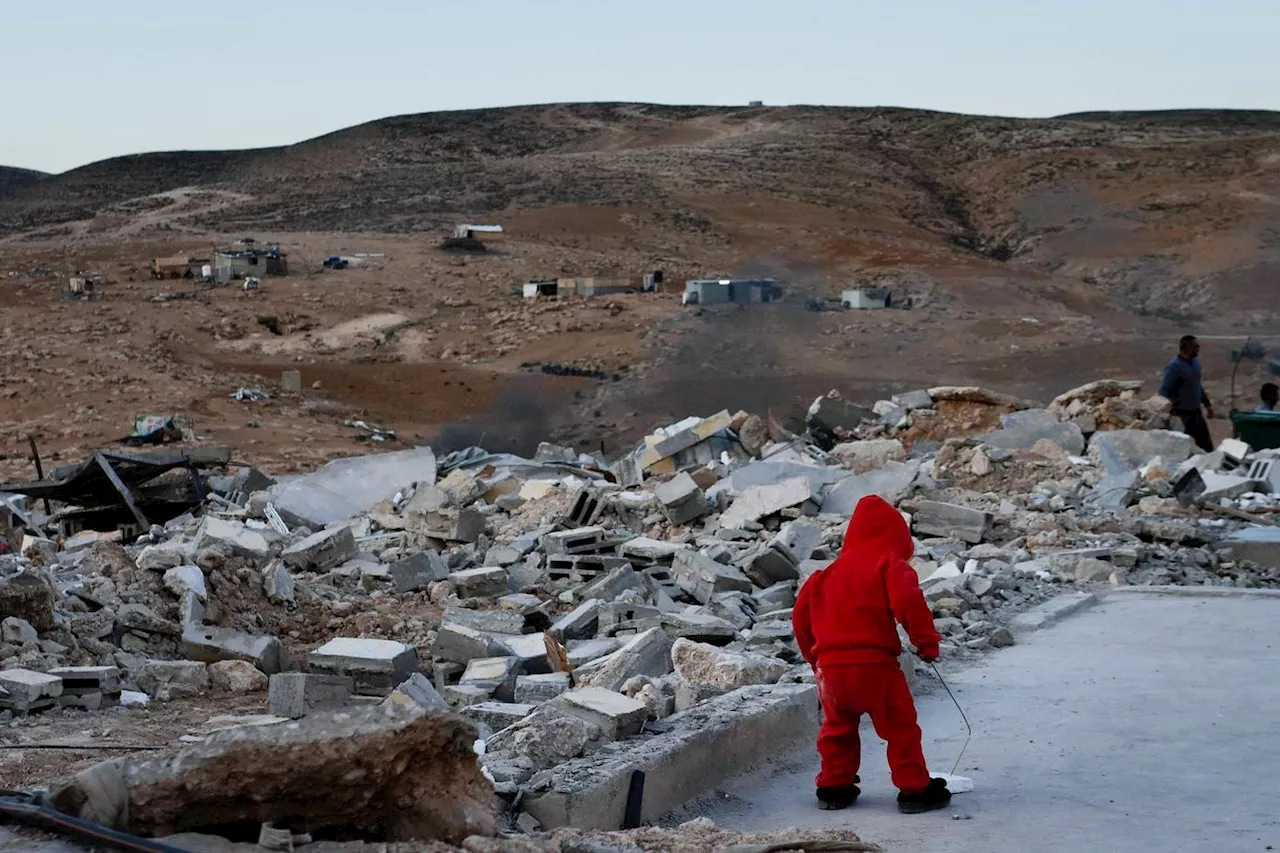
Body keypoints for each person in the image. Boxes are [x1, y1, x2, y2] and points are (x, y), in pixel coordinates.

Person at [792, 494, 952, 815]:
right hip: (875, 666)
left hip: (831, 671)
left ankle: (834, 785)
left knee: (837, 729)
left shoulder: (823, 576)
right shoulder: (888, 564)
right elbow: (908, 600)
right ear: (896, 538)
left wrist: (816, 660)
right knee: (900, 725)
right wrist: (926, 643)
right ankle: (914, 788)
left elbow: (800, 618)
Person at [1159, 335, 1215, 452]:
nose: (1197, 349)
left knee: (1207, 447)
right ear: (1184, 348)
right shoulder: (1175, 367)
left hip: (1196, 414)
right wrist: (1173, 405)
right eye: (1194, 347)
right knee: (1183, 449)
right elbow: (1164, 391)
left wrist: (1207, 405)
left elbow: (1197, 385)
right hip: (1181, 415)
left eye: (1197, 346)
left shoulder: (1195, 364)